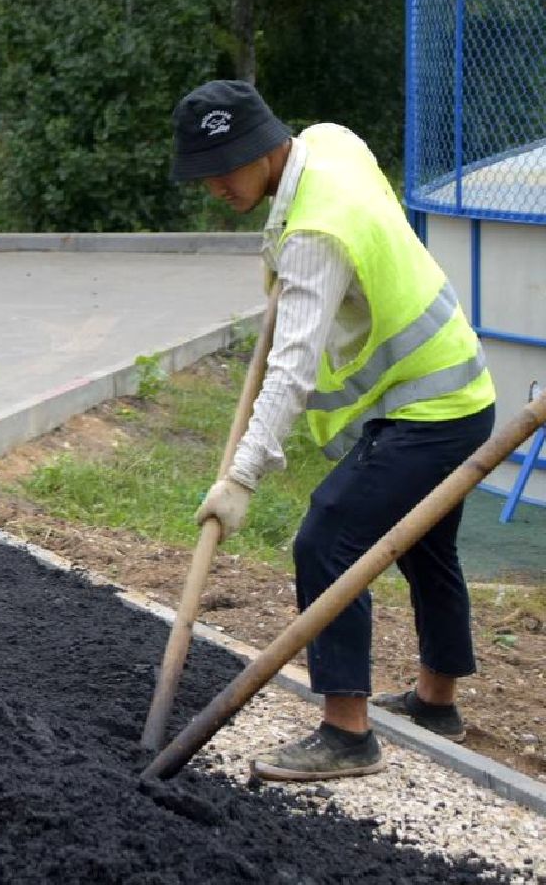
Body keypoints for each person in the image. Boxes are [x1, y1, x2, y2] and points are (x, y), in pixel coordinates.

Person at [171, 80, 495, 782]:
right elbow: (356, 169)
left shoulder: (315, 233)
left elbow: (290, 371)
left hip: (432, 409)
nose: (217, 185)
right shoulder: (326, 143)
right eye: (206, 172)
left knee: (328, 537)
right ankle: (437, 704)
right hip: (459, 385)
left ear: (263, 148)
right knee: (425, 545)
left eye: (226, 166)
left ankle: (348, 734)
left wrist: (241, 478)